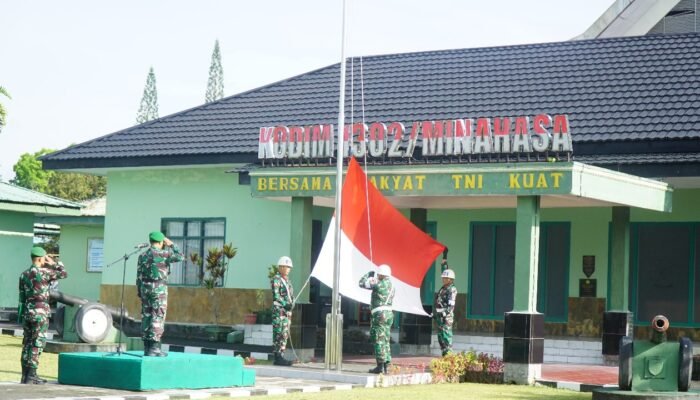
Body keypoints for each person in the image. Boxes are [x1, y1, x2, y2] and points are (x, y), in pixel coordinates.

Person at [18, 246, 67, 384]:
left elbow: (21, 297)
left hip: (28, 312)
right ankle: (32, 375)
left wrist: (21, 314)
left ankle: (25, 375)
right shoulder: (45, 272)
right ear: (40, 258)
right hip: (40, 312)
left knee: (27, 343)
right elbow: (63, 273)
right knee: (37, 343)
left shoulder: (24, 274)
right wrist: (54, 263)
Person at [136, 231, 183, 357]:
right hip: (159, 288)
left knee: (146, 316)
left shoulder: (143, 255)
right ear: (162, 242)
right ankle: (154, 348)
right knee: (157, 315)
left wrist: (140, 291)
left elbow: (139, 275)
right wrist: (172, 244)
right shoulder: (164, 254)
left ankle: (147, 347)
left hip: (145, 288)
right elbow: (180, 256)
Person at [359, 264, 395, 374]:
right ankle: (386, 365)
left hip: (379, 314)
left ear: (380, 274)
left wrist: (368, 275)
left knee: (378, 339)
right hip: (388, 314)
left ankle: (380, 366)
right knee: (385, 339)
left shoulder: (378, 283)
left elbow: (361, 283)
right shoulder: (392, 285)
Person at [271, 256, 294, 366]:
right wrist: (285, 304)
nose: (288, 269)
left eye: (289, 267)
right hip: (279, 311)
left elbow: (290, 295)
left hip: (286, 312)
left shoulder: (288, 281)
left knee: (285, 333)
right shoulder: (276, 279)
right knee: (278, 333)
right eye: (286, 267)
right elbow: (276, 296)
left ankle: (282, 354)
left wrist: (291, 304)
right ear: (280, 267)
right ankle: (277, 356)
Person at [435, 269, 457, 356]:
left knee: (446, 337)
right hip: (440, 316)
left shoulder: (452, 289)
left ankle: (449, 358)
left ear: (450, 279)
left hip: (446, 317)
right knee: (441, 338)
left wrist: (444, 314)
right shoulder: (443, 288)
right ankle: (445, 357)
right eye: (443, 277)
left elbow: (451, 305)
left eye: (445, 278)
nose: (443, 279)